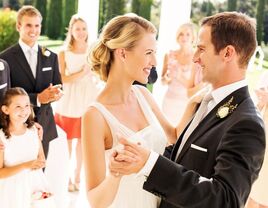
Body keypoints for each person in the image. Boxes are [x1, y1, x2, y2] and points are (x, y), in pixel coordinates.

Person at [110, 11, 266, 208]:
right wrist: (138, 158)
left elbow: (226, 199)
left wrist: (151, 163)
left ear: (228, 53)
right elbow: (182, 155)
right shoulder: (206, 101)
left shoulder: (246, 123)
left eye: (201, 49)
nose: (195, 58)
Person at [82, 13, 205, 208]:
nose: (155, 61)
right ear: (122, 53)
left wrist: (193, 103)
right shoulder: (95, 116)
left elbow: (173, 136)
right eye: (148, 52)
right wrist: (115, 175)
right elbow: (96, 201)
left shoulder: (142, 94)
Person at [0, 5, 63, 158]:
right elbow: (5, 95)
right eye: (28, 25)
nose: (33, 30)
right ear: (18, 26)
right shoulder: (5, 58)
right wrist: (37, 99)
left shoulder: (51, 56)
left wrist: (58, 92)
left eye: (37, 25)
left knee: (39, 171)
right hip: (16, 127)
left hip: (45, 125)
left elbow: (59, 84)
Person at [54, 14, 100, 192]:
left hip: (87, 98)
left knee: (82, 142)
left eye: (84, 28)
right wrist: (81, 73)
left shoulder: (92, 50)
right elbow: (61, 79)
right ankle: (66, 178)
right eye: (77, 29)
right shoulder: (64, 52)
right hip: (69, 100)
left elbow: (98, 73)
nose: (81, 32)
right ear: (71, 31)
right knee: (67, 142)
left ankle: (77, 176)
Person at [0, 87, 46, 208]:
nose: (24, 111)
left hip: (35, 186)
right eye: (18, 107)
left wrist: (39, 163)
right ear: (5, 109)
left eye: (27, 106)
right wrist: (26, 165)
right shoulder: (1, 137)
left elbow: (41, 158)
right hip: (12, 191)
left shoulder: (34, 130)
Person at [161, 23, 205, 125]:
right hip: (169, 100)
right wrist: (166, 79)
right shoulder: (169, 55)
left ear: (193, 37)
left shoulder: (197, 58)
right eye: (181, 34)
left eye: (187, 34)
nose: (184, 37)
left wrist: (179, 76)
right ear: (177, 37)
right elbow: (163, 81)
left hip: (186, 103)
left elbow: (195, 87)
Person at [247, 71, 268, 208]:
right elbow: (256, 107)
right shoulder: (266, 75)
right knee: (252, 194)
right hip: (262, 135)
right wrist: (261, 101)